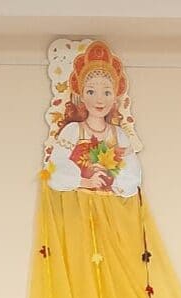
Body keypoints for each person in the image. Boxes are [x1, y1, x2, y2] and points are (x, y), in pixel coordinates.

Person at [48, 39, 142, 197]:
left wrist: (115, 183)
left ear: (114, 98)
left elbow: (132, 172)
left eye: (107, 93)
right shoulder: (73, 130)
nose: (99, 100)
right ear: (82, 97)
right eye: (91, 92)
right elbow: (55, 167)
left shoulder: (118, 134)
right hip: (79, 202)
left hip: (111, 204)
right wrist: (85, 182)